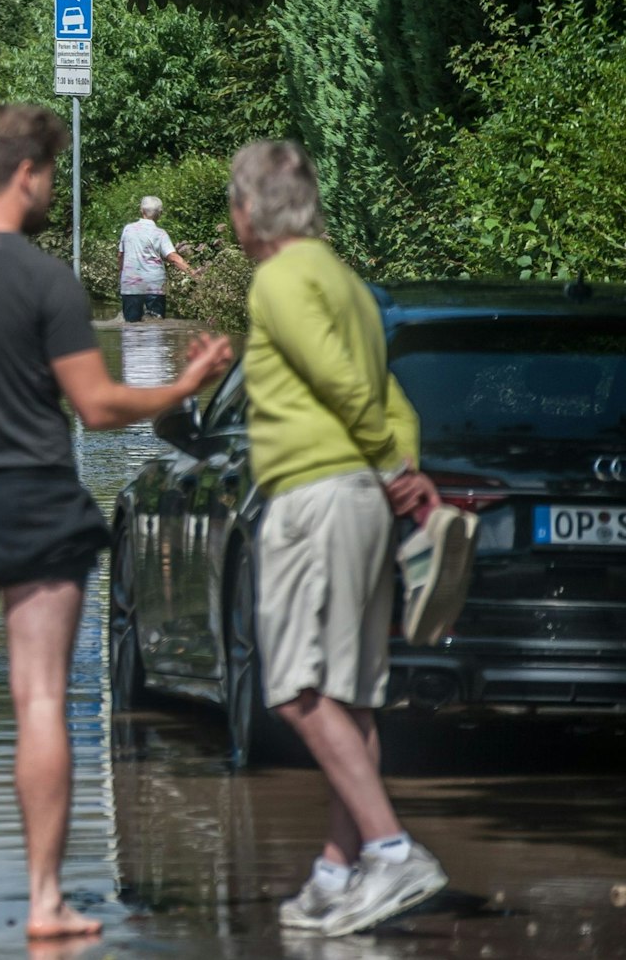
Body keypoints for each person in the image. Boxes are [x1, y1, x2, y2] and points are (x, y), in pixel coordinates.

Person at [0, 104, 232, 942]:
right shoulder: (45, 280)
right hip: (38, 505)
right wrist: (186, 386)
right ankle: (43, 903)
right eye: (51, 174)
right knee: (39, 700)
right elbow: (99, 408)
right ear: (28, 173)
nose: (50, 191)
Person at [227, 140, 453, 937]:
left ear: (250, 211)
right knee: (350, 695)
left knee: (293, 688)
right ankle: (336, 868)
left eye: (235, 204)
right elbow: (392, 396)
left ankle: (391, 850)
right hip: (360, 500)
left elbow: (336, 379)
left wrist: (391, 466)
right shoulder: (348, 282)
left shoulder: (280, 279)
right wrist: (401, 467)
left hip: (313, 493)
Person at [116, 196, 195, 321]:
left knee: (131, 327)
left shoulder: (128, 230)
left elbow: (121, 255)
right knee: (155, 326)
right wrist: (193, 273)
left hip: (131, 284)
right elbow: (173, 257)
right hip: (154, 285)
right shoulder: (160, 233)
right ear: (160, 214)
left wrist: (120, 273)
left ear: (141, 210)